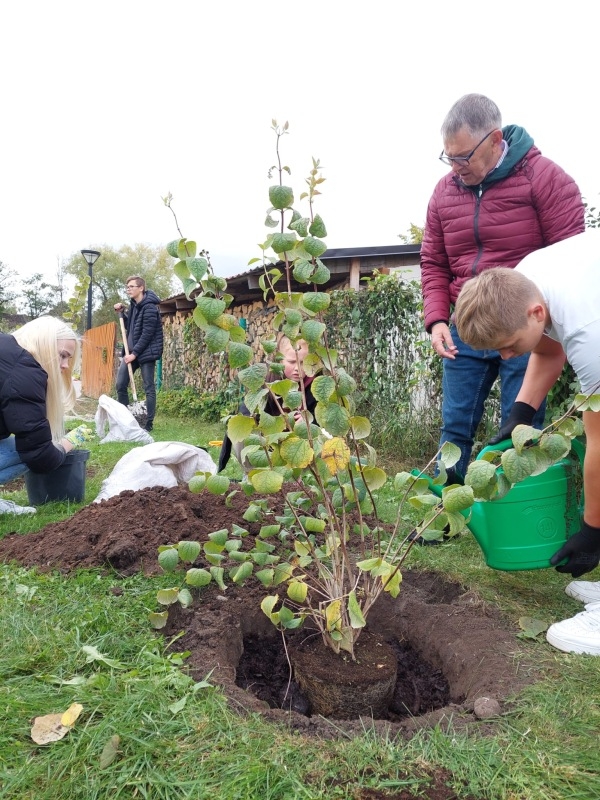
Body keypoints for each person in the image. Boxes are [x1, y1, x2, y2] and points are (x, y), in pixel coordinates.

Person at [420, 93, 584, 488]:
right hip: (468, 323)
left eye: (464, 157)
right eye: (450, 158)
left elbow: (572, 259)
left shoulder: (545, 179)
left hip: (520, 324)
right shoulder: (444, 193)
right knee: (455, 422)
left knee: (520, 422)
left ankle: (514, 506)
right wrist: (437, 319)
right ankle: (446, 508)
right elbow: (433, 262)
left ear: (495, 140)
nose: (456, 168)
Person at [454, 228, 600, 654]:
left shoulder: (590, 332)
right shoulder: (526, 279)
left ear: (534, 312)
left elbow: (599, 445)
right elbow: (549, 344)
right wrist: (520, 414)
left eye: (508, 346)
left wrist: (593, 530)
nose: (507, 357)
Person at [0, 316, 92, 515]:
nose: (66, 365)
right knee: (22, 452)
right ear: (45, 346)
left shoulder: (6, 351)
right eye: (62, 355)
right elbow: (39, 456)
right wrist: (68, 442)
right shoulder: (24, 370)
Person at [218, 336, 317, 473]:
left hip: (298, 444)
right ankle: (252, 474)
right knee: (240, 431)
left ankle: (304, 478)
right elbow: (248, 409)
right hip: (269, 438)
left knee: (321, 438)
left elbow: (322, 418)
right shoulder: (266, 379)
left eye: (303, 362)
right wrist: (258, 422)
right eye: (292, 362)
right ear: (279, 360)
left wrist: (310, 421)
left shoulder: (316, 385)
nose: (298, 369)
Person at [114, 276, 163, 432]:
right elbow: (132, 327)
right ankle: (126, 419)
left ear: (141, 288)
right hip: (131, 352)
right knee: (120, 385)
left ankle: (148, 422)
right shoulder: (134, 305)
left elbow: (147, 333)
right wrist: (123, 314)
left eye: (131, 286)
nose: (128, 289)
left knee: (148, 386)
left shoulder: (149, 307)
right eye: (127, 287)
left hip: (145, 353)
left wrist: (134, 354)